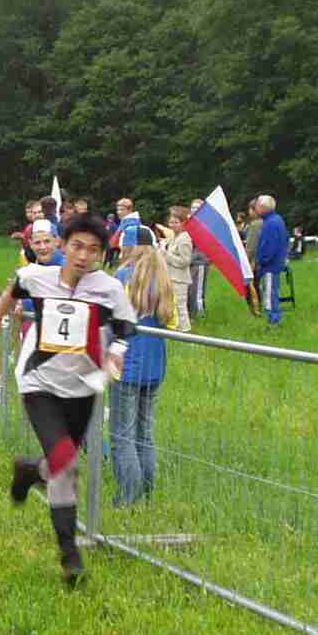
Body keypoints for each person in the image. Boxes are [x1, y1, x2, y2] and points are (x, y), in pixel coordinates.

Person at [0, 214, 135, 587]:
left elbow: (126, 330)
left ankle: (31, 471)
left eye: (92, 250)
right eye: (77, 246)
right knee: (67, 464)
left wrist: (117, 354)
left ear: (101, 254)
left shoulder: (109, 289)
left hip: (82, 388)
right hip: (39, 384)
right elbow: (11, 293)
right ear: (63, 245)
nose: (83, 256)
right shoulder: (37, 277)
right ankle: (70, 557)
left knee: (59, 464)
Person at [111, 245, 175, 506]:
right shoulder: (163, 281)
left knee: (122, 436)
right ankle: (146, 493)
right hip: (155, 368)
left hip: (126, 368)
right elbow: (173, 322)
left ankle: (129, 497)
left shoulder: (124, 277)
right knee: (144, 433)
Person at [254, 195, 290, 325]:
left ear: (263, 207)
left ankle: (274, 322)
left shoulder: (271, 223)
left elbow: (269, 246)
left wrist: (261, 260)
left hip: (270, 266)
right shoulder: (277, 220)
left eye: (257, 206)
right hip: (276, 263)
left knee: (269, 295)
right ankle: (275, 319)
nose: (255, 208)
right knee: (273, 291)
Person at [160, 205, 194, 333]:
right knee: (172, 305)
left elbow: (185, 261)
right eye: (171, 222)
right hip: (171, 277)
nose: (172, 225)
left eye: (176, 222)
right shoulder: (174, 237)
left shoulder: (185, 239)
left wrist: (166, 254)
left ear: (183, 223)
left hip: (180, 279)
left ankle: (185, 330)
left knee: (180, 306)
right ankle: (175, 328)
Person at [186, 197, 210, 319]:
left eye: (198, 207)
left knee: (198, 290)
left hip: (200, 262)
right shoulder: (189, 224)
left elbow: (203, 248)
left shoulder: (205, 225)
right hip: (189, 262)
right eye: (193, 207)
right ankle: (191, 313)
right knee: (189, 289)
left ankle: (200, 315)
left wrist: (189, 258)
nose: (195, 210)